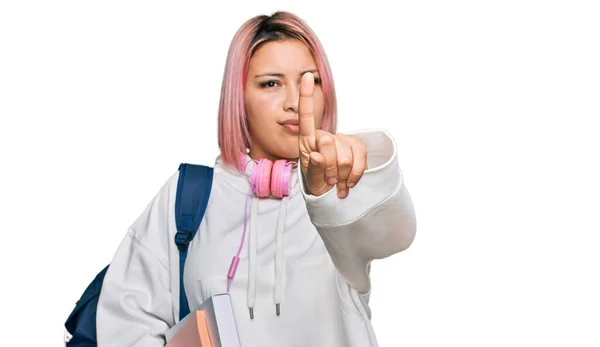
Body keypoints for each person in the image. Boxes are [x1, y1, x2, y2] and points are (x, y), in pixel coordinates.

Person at [96, 10, 417, 347]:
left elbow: (396, 232)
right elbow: (125, 322)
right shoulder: (189, 197)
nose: (294, 102)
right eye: (271, 83)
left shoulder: (337, 194)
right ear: (240, 97)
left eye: (311, 81)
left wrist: (330, 193)